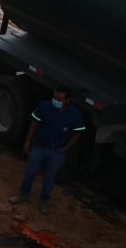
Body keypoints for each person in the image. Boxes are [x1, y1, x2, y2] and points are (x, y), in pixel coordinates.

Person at [10, 86, 86, 214]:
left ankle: (44, 202)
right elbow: (34, 123)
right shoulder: (44, 106)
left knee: (50, 178)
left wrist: (67, 147)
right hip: (39, 147)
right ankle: (23, 195)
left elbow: (78, 132)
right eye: (54, 97)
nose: (55, 101)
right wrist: (28, 140)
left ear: (67, 100)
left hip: (57, 152)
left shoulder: (74, 114)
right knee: (30, 172)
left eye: (59, 99)